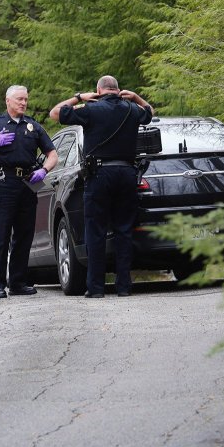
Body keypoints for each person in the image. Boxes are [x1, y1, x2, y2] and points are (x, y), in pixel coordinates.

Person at [49, 75, 153, 297]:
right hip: (127, 174)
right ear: (117, 90)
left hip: (99, 174)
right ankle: (123, 287)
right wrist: (136, 97)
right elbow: (150, 113)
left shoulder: (91, 109)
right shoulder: (132, 110)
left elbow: (55, 113)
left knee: (95, 232)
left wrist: (78, 98)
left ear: (99, 90)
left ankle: (96, 288)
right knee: (124, 231)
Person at [0, 85, 58, 299]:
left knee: (24, 234)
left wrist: (44, 170)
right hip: (4, 182)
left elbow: (53, 154)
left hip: (28, 182)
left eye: (25, 99)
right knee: (2, 234)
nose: (23, 103)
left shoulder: (33, 126)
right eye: (19, 99)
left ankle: (17, 282)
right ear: (8, 101)